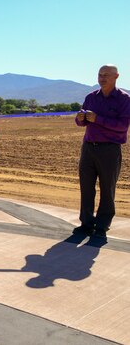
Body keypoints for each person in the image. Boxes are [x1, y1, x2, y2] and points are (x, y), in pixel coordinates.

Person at [74, 64, 130, 240]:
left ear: (116, 76)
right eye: (100, 74)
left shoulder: (124, 100)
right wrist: (81, 119)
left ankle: (102, 225)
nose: (102, 78)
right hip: (89, 147)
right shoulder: (91, 97)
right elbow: (81, 123)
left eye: (106, 75)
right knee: (86, 187)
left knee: (107, 188)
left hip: (110, 149)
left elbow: (122, 127)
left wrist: (98, 119)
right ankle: (86, 223)